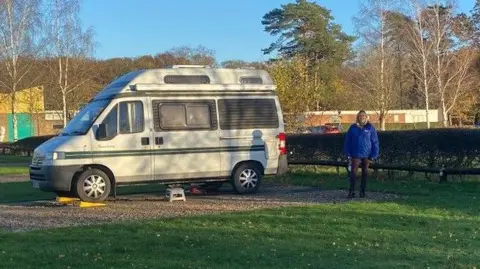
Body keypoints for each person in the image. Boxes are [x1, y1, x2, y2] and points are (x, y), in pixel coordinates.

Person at [343, 110, 379, 198]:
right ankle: (351, 191)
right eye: (360, 116)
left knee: (365, 174)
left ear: (366, 117)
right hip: (355, 154)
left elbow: (375, 142)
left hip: (367, 155)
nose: (362, 117)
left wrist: (374, 154)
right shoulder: (352, 128)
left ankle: (362, 192)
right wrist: (347, 152)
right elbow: (348, 141)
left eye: (364, 116)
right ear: (358, 117)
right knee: (353, 174)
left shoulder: (370, 128)